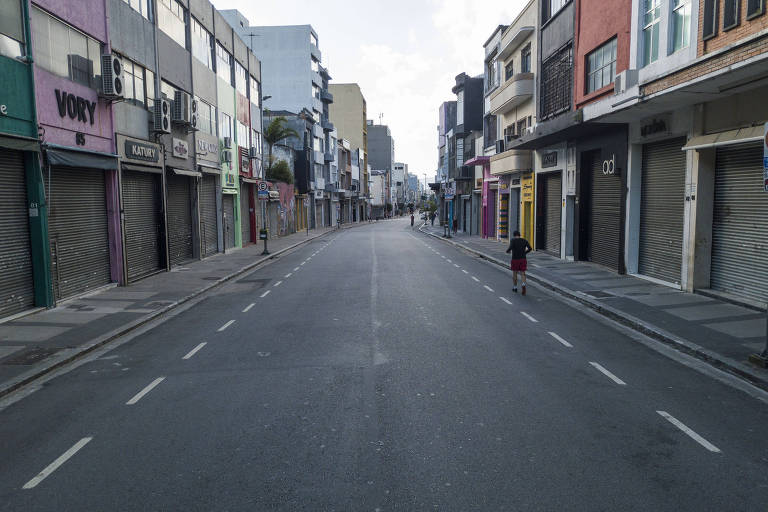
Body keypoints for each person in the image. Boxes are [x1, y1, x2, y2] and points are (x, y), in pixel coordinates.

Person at [505, 230, 532, 295]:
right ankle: (523, 284)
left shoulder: (513, 240)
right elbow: (530, 248)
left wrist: (507, 251)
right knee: (523, 273)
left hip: (515, 259)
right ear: (519, 235)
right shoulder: (524, 240)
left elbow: (510, 247)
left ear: (514, 235)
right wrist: (525, 253)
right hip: (523, 259)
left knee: (515, 273)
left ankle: (515, 287)